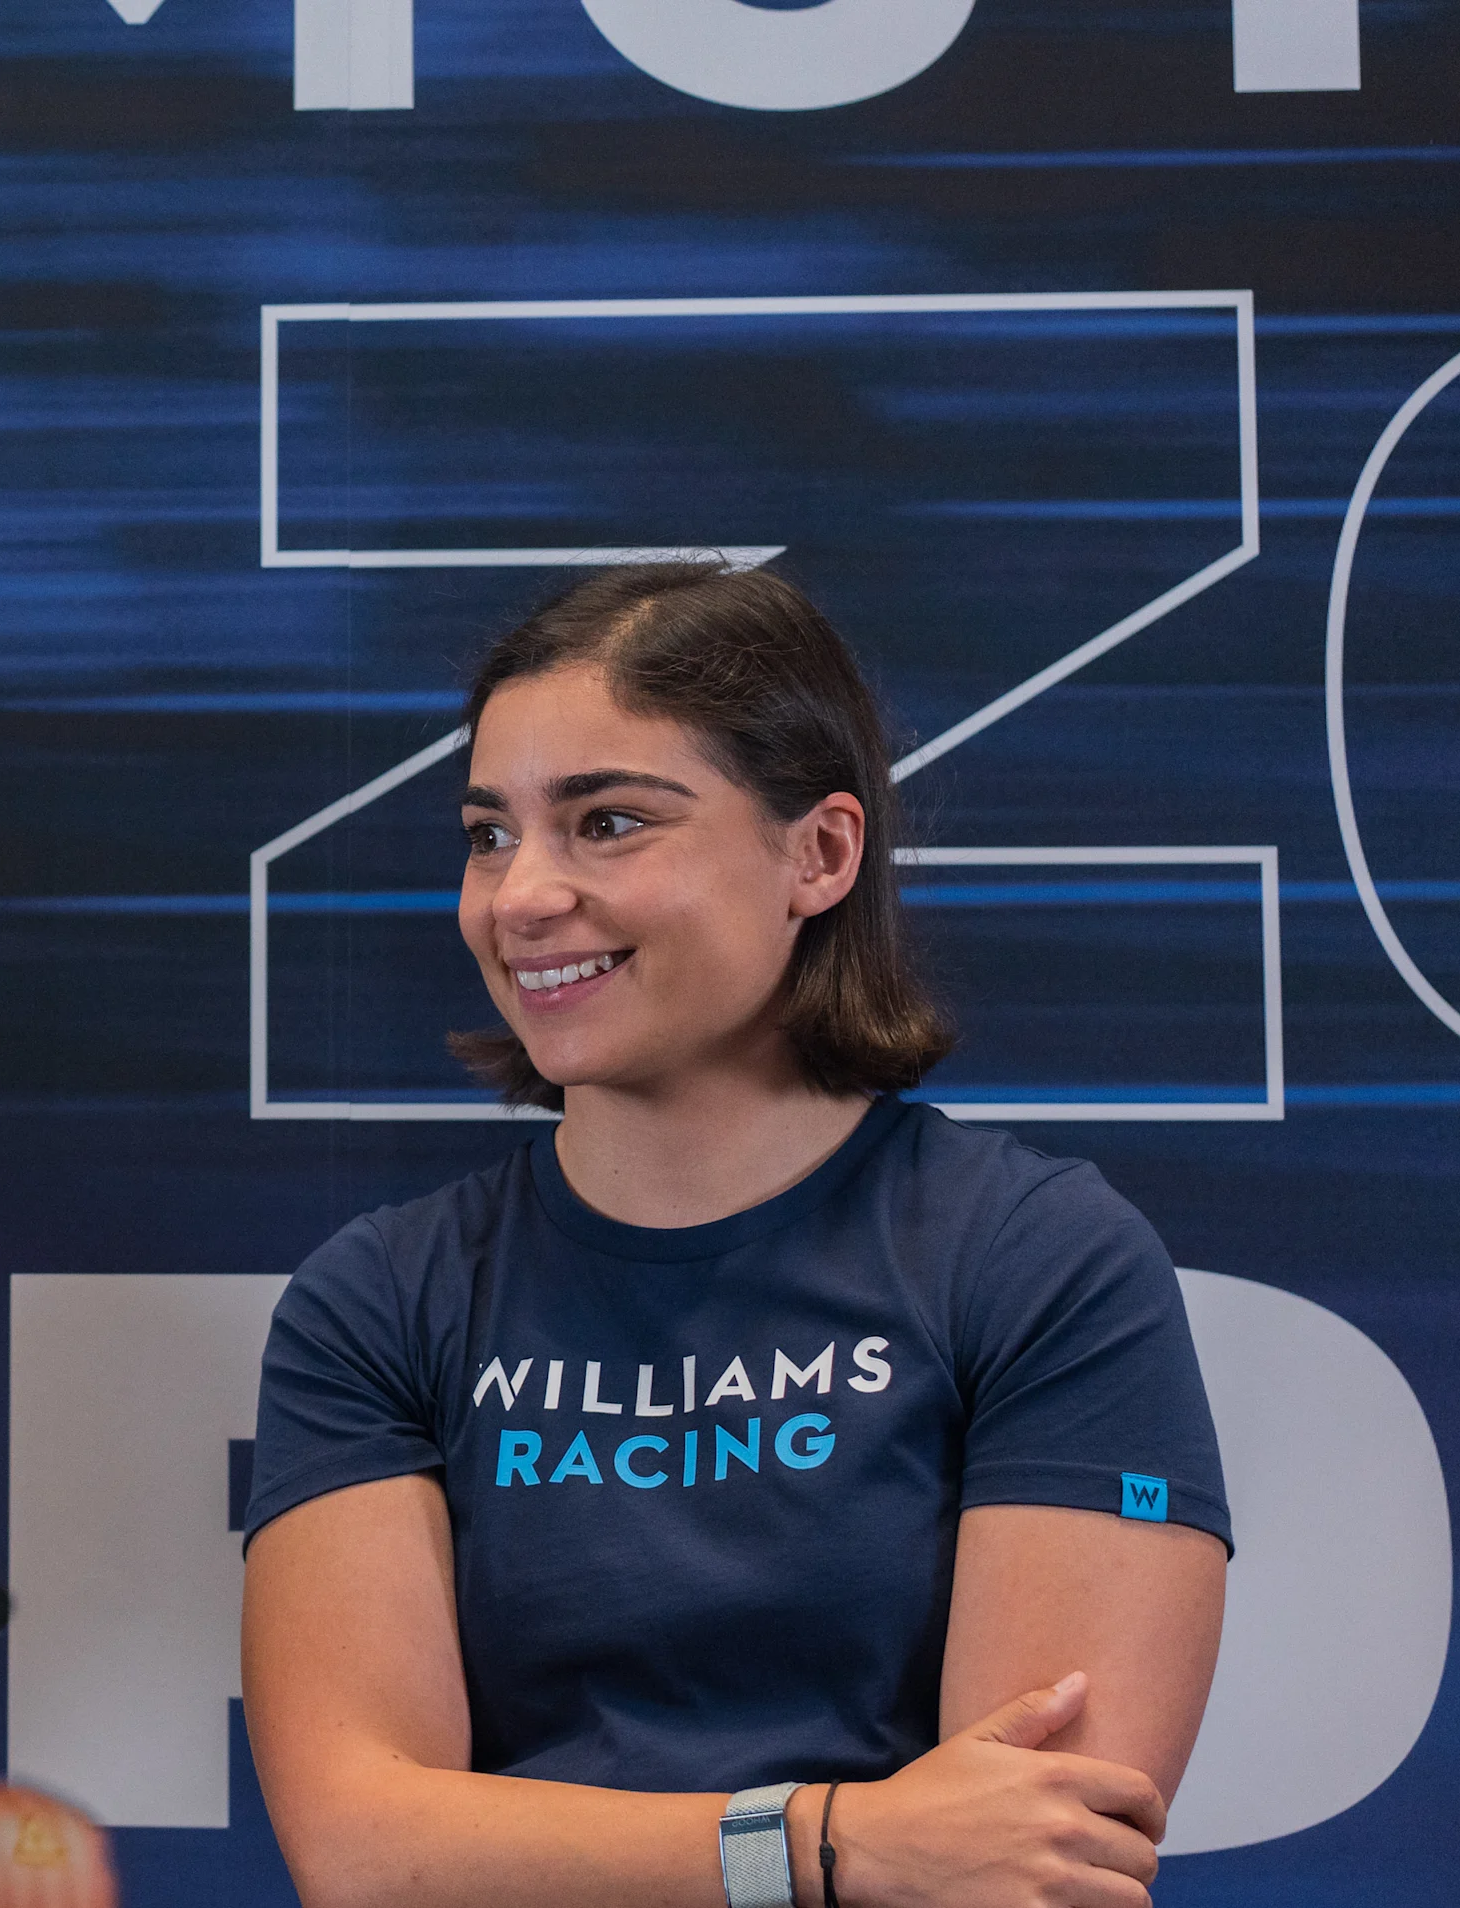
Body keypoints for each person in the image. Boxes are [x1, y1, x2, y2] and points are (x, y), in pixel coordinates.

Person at [239, 563, 1229, 1908]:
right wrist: (836, 1846)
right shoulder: (380, 1299)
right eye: (490, 834)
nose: (520, 895)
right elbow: (369, 1854)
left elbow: (1031, 1860)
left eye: (606, 823)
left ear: (818, 854)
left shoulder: (1040, 1261)